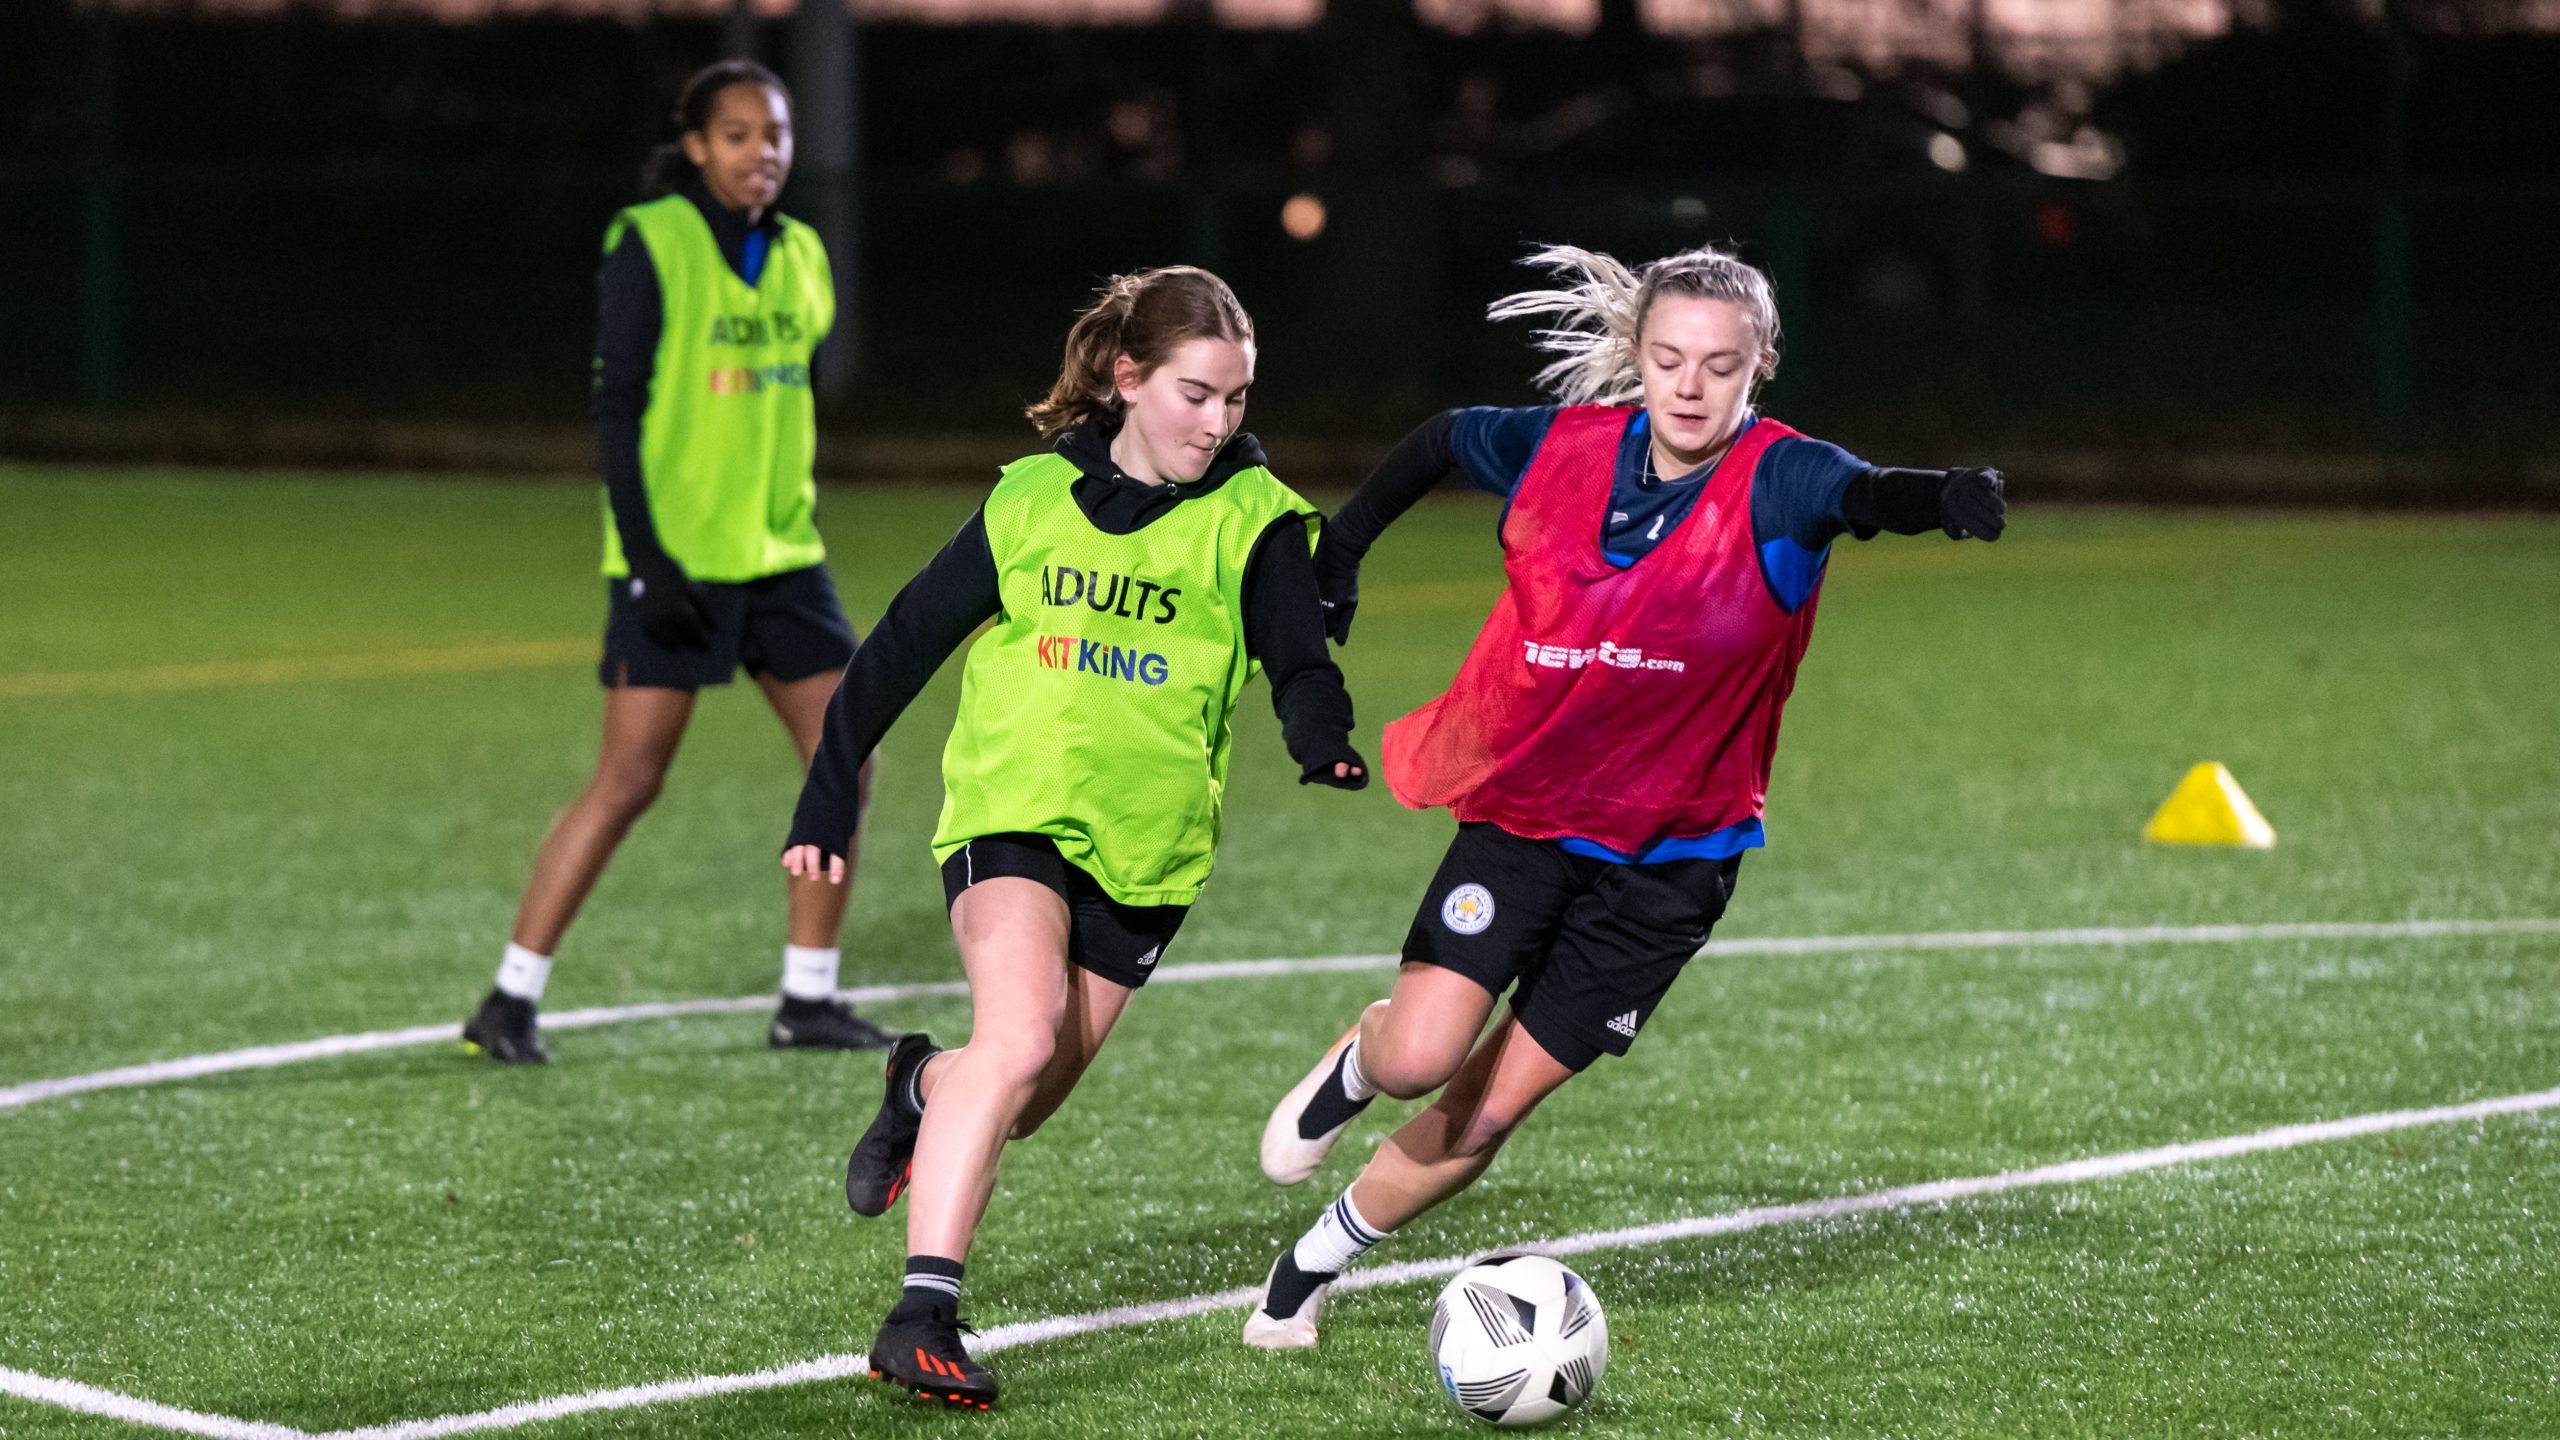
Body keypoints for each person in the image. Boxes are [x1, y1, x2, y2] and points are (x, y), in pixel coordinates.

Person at [1240, 243, 2007, 1348]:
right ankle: (1362, 1060)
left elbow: (1865, 496)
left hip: (1671, 863)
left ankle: (1306, 1271)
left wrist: (1940, 497)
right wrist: (1343, 547)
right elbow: (1444, 436)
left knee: (1483, 1113)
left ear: (1762, 368)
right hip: (1529, 813)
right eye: (1667, 359)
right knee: (1419, 1059)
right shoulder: (1562, 446)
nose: (1690, 387)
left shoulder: (1783, 476)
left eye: (1718, 365)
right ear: (1637, 359)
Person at [782, 265, 1369, 1409]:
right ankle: (922, 1313)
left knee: (1024, 1092)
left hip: (1147, 851)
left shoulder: (1252, 522)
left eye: (1238, 399)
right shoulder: (1032, 499)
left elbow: (1299, 658)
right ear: (1127, 375)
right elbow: (899, 646)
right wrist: (823, 795)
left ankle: (919, 1085)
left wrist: (1321, 738)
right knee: (1014, 1038)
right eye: (1197, 394)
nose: (1220, 422)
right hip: (1012, 811)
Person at [462, 60, 891, 1064]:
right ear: (697, 146)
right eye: (737, 134)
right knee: (627, 782)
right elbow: (617, 408)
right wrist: (646, 559)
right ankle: (510, 997)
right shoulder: (649, 239)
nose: (761, 153)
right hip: (677, 563)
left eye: (775, 135)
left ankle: (807, 997)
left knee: (846, 763)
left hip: (783, 557)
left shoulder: (802, 255)